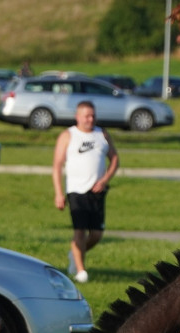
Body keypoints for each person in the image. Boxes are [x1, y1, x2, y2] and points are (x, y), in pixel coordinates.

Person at [52, 101, 119, 284]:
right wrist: (59, 193)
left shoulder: (102, 134)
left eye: (93, 115)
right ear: (78, 116)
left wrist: (104, 180)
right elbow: (57, 165)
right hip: (76, 190)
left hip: (97, 191)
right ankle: (81, 272)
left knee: (96, 234)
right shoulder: (68, 135)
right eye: (87, 116)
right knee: (79, 231)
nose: (90, 119)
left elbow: (114, 159)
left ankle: (75, 254)